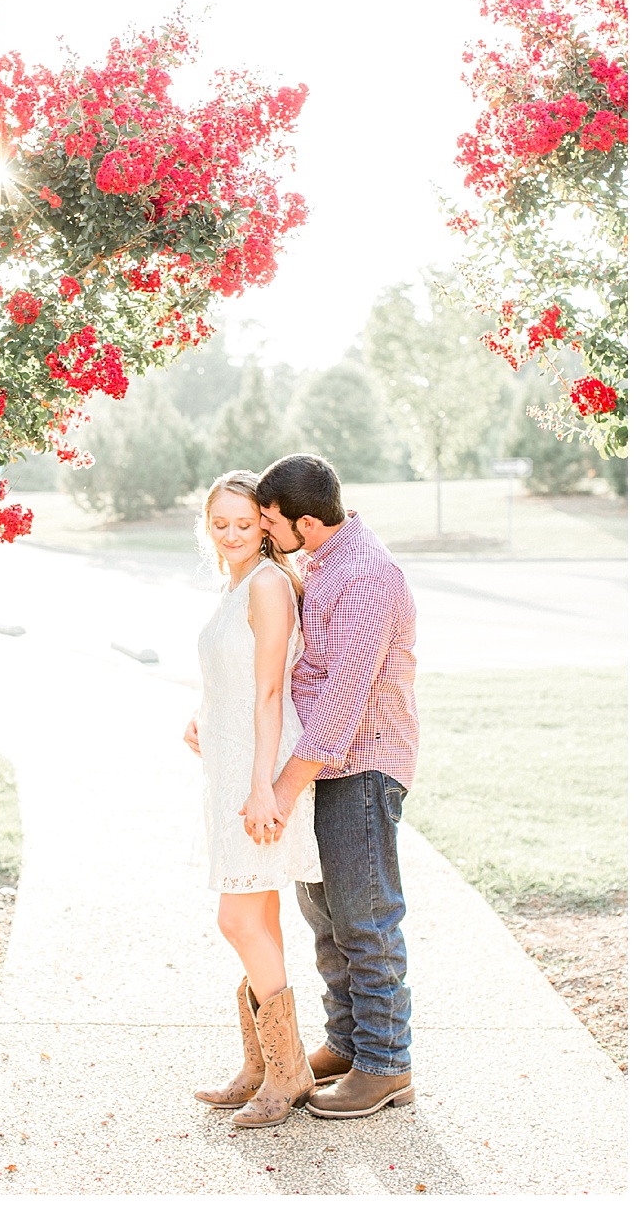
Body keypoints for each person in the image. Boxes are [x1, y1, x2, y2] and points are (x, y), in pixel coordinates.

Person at [252, 452, 418, 1120]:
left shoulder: (367, 575)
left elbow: (343, 700)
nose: (267, 533)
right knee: (325, 915)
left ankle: (386, 1064)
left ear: (307, 522)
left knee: (365, 917)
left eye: (271, 522)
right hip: (327, 767)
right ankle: (348, 1044)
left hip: (363, 764)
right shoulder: (324, 560)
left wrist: (284, 787)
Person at [181, 469, 321, 1128]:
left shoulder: (267, 584)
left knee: (236, 920)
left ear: (264, 527)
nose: (232, 534)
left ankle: (289, 1073)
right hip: (231, 760)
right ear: (206, 525)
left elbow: (270, 691)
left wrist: (266, 786)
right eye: (221, 524)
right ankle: (262, 1066)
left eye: (244, 524)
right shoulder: (233, 584)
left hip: (256, 772)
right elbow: (232, 676)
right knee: (259, 918)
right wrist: (200, 716)